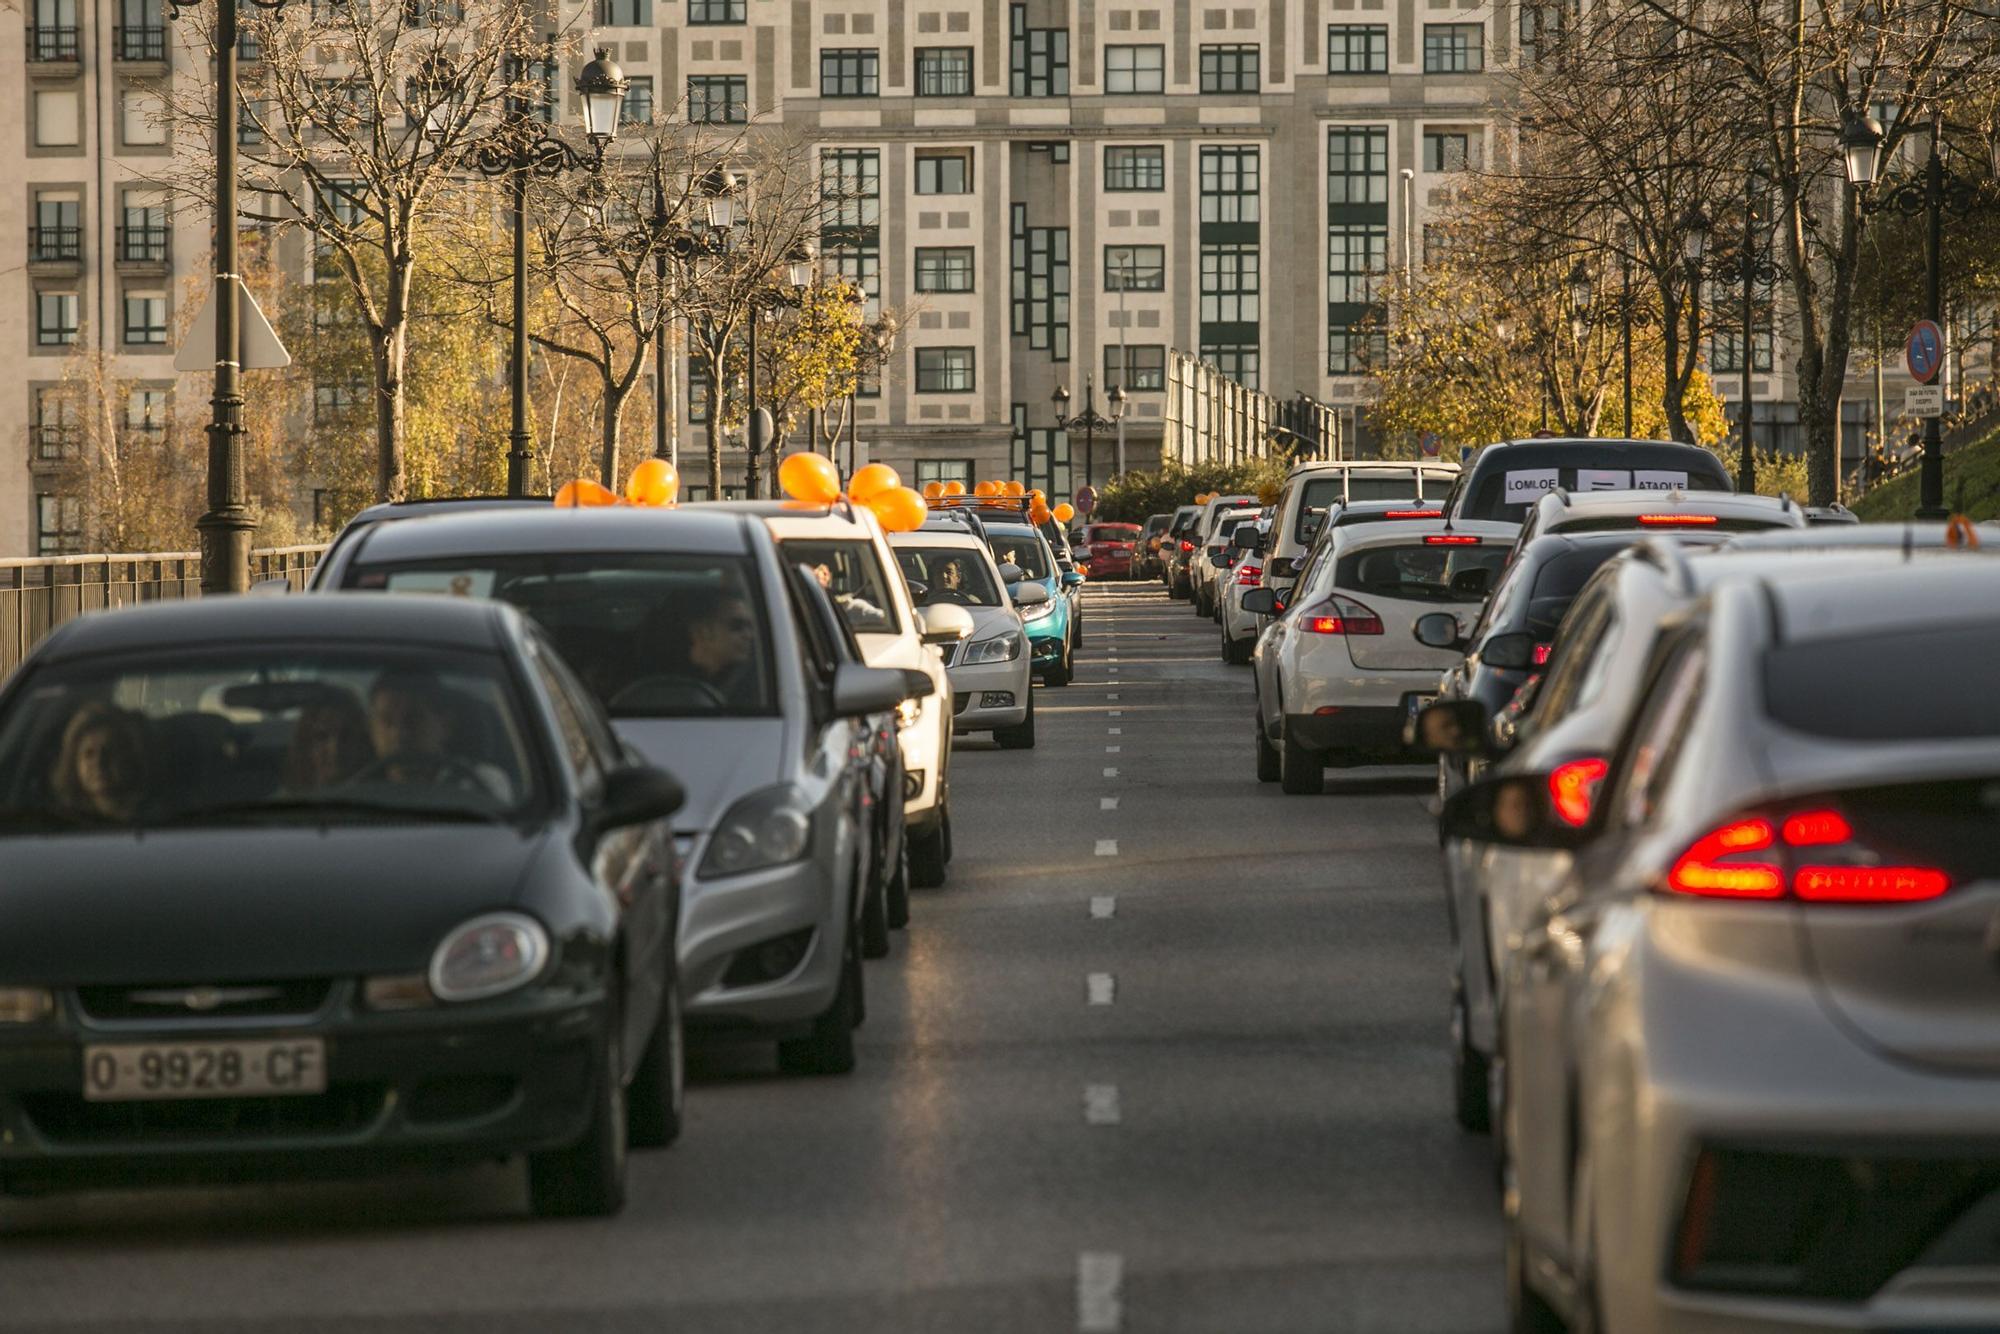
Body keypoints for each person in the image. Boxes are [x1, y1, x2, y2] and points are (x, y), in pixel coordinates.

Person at [49, 701, 149, 822]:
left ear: (131, 757)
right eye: (89, 754)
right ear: (74, 764)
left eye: (110, 751)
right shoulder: (60, 826)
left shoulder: (160, 822)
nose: (99, 762)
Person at [683, 589, 760, 705]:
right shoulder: (664, 678)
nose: (749, 635)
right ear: (703, 631)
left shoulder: (756, 686)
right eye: (737, 626)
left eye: (750, 627)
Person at [283, 693, 372, 792]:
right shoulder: (284, 805)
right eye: (322, 737)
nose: (335, 749)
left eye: (346, 736)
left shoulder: (382, 798)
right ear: (305, 746)